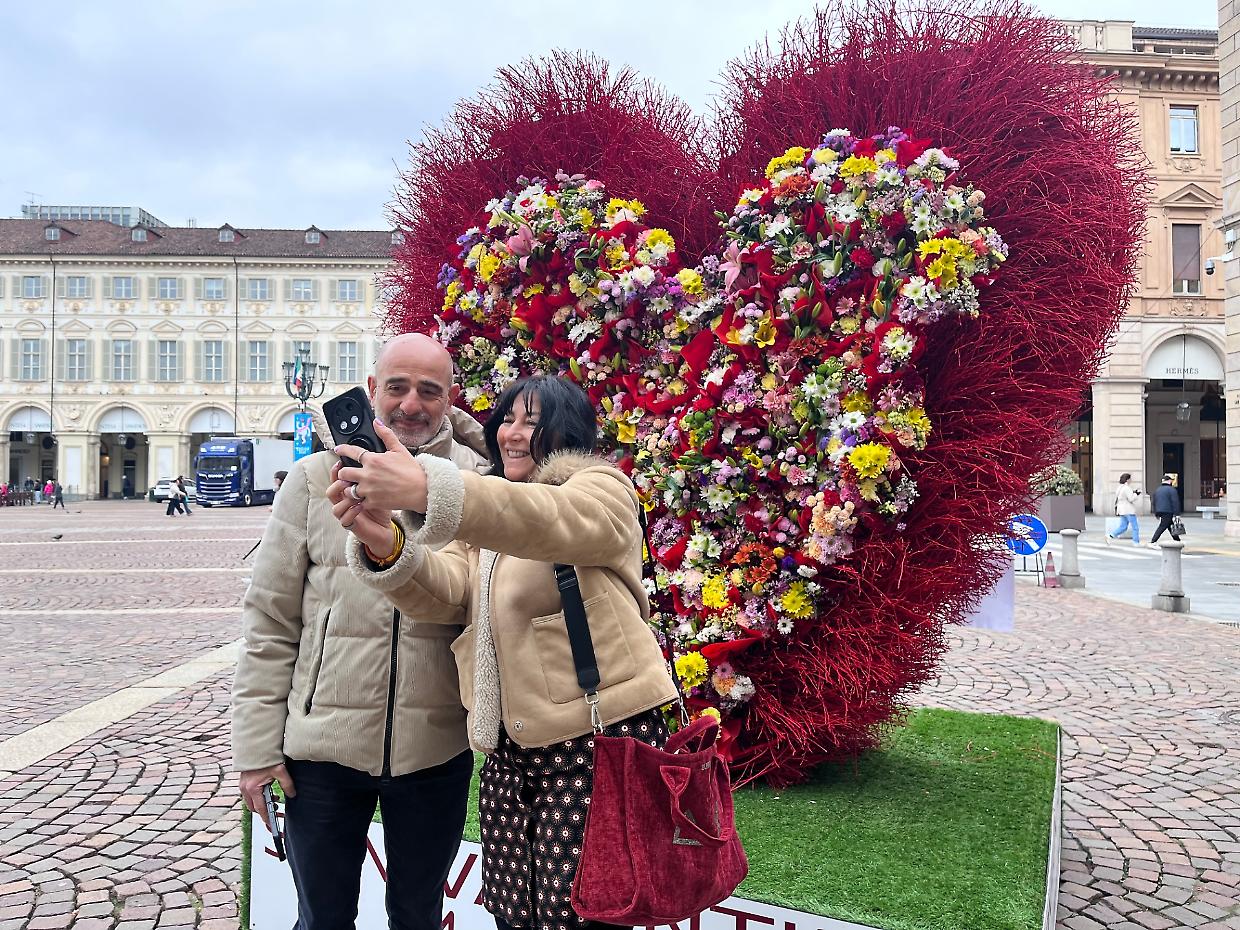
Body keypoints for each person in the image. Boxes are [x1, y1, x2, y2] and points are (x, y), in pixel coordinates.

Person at [331, 375, 678, 930]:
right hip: (508, 747)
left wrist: (426, 487)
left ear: (567, 432)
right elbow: (449, 590)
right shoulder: (489, 509)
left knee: (582, 916)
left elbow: (545, 520)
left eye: (532, 422)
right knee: (516, 915)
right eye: (507, 420)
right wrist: (384, 542)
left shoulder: (600, 489)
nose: (513, 435)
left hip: (592, 742)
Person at [232, 333, 489, 930]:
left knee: (418, 917)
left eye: (429, 391)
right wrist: (255, 750)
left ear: (450, 400)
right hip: (322, 750)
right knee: (321, 919)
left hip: (435, 749)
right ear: (372, 391)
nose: (411, 404)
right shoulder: (311, 479)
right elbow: (270, 620)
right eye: (397, 387)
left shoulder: (472, 482)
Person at [1106, 472, 1141, 546]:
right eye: (1130, 479)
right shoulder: (1127, 488)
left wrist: (1133, 492)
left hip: (1121, 509)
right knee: (1135, 527)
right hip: (1128, 509)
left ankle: (1110, 536)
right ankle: (1136, 542)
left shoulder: (1119, 487)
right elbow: (1131, 499)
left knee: (1123, 527)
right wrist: (1136, 494)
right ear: (1127, 480)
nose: (1131, 480)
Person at [1150, 474, 1182, 546]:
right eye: (1171, 480)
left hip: (1159, 510)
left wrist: (1156, 512)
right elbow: (1175, 502)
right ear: (1169, 481)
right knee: (1163, 526)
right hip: (1168, 511)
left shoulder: (1158, 489)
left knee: (1170, 525)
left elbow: (1154, 502)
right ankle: (1153, 541)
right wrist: (1177, 513)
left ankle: (1177, 540)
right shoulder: (1172, 490)